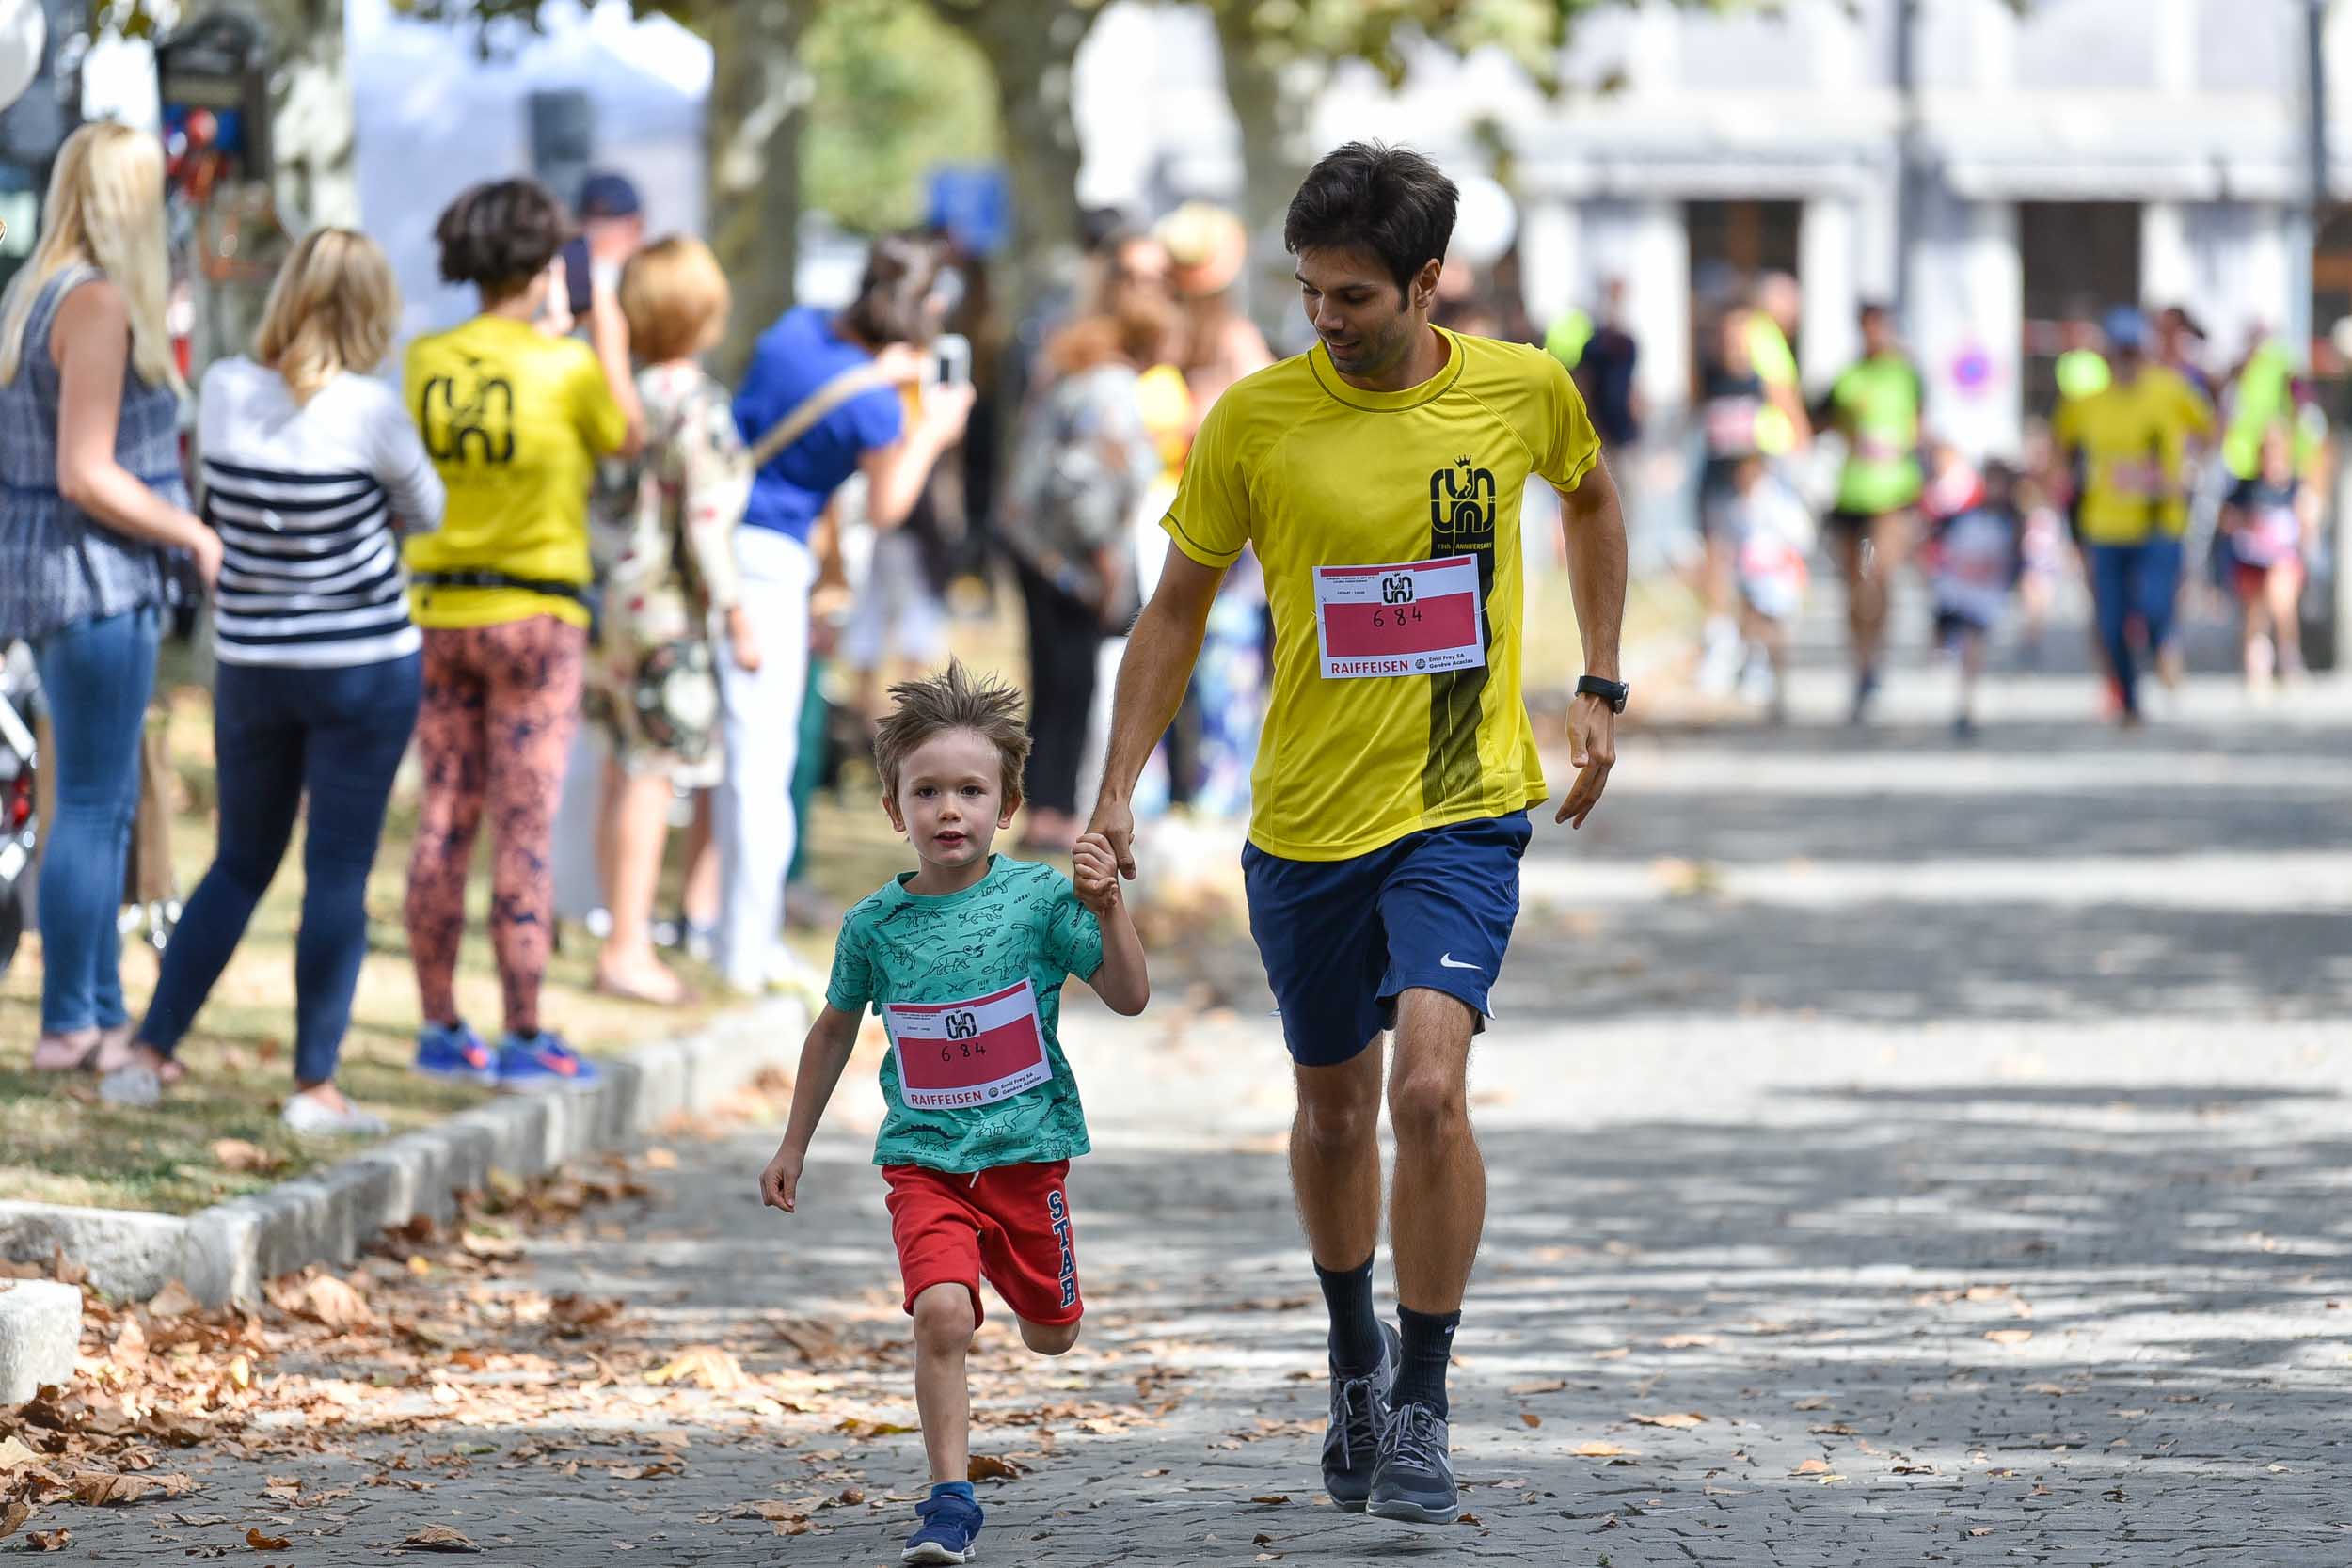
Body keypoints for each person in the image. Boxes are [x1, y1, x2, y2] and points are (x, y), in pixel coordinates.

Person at [1088, 141, 1629, 1527]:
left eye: (1353, 296)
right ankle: (1352, 1351)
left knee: (1428, 1089)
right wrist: (1115, 789)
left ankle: (1426, 1399)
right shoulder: (1255, 420)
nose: (1323, 318)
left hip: (1459, 806)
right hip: (1309, 818)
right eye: (1310, 291)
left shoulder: (1521, 391)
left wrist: (1601, 682)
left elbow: (1595, 499)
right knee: (1333, 1104)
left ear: (1427, 283)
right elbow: (1174, 609)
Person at [755, 662, 1148, 1567]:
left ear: (1005, 803)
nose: (948, 810)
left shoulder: (1042, 900)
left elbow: (1129, 993)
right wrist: (793, 1143)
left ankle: (1019, 1277)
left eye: (970, 790)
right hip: (924, 1161)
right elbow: (833, 1028)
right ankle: (948, 1499)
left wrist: (1110, 905)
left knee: (1053, 1335)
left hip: (1026, 1159)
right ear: (895, 809)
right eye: (925, 790)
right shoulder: (874, 926)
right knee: (940, 1315)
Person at [97, 230, 443, 1125]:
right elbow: (426, 512)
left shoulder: (220, 389)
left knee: (241, 860)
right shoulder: (372, 412)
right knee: (336, 869)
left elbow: (212, 496)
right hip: (362, 666)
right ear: (371, 314)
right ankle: (313, 1085)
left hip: (252, 664)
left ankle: (148, 1048)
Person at [403, 177, 644, 1089]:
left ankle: (437, 1022)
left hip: (441, 608)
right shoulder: (567, 366)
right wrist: (602, 319)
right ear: (548, 260)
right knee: (524, 823)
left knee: (442, 814)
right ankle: (525, 1027)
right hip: (537, 614)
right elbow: (626, 433)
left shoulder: (427, 356)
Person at [0, 123, 217, 1078]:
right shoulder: (92, 302)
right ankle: (74, 1018)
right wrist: (195, 534)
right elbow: (86, 471)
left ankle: (95, 1009)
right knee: (92, 802)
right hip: (95, 572)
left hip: (63, 572)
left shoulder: (35, 292)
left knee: (91, 800)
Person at [723, 234, 975, 997]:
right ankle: (745, 944)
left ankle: (716, 925)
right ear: (922, 310)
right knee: (760, 765)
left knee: (725, 758)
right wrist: (934, 426)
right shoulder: (873, 403)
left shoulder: (794, 330)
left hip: (718, 532)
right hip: (771, 561)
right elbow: (891, 500)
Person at [584, 234, 755, 1005]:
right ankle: (627, 945)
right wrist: (738, 613)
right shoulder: (697, 402)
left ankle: (615, 926)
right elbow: (707, 519)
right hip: (668, 611)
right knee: (655, 775)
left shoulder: (618, 392)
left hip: (610, 601)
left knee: (621, 768)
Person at [1002, 288, 1168, 852]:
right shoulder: (1114, 388)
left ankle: (1041, 805)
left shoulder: (1073, 375)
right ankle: (1053, 810)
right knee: (1073, 682)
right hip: (1068, 559)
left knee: (1050, 681)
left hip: (1032, 544)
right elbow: (1088, 481)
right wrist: (1103, 557)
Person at [2052, 306, 2215, 724]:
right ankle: (2128, 700)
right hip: (2105, 526)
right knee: (2111, 620)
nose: (2126, 360)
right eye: (2119, 352)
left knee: (2156, 606)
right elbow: (2059, 448)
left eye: (2132, 351)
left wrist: (2186, 470)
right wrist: (2065, 487)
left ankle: (2164, 651)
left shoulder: (2171, 389)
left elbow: (2211, 428)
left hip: (2160, 521)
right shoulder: (2088, 404)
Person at [1820, 301, 1924, 722]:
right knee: (1855, 584)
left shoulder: (1907, 375)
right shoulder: (1847, 377)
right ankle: (1861, 662)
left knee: (1878, 576)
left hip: (1895, 494)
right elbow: (1821, 418)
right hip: (1852, 493)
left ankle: (1874, 659)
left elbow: (1919, 427)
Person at [1924, 459, 2026, 739]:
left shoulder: (2013, 522)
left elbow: (2019, 563)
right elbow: (1937, 543)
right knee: (1950, 644)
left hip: (1984, 598)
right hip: (1955, 593)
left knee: (1972, 647)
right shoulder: (1963, 517)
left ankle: (1965, 704)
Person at [2218, 424, 2314, 692]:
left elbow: (2307, 522)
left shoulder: (2295, 486)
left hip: (2283, 559)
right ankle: (2257, 668)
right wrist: (2247, 522)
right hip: (2251, 560)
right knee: (2255, 615)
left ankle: (2288, 660)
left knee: (2282, 603)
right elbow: (2226, 519)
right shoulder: (2246, 487)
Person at [1724, 452, 1813, 722]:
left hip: (1777, 578)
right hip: (1750, 577)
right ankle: (1754, 673)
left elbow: (1801, 537)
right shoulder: (1738, 505)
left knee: (1774, 631)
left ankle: (1776, 683)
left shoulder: (1780, 502)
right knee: (1750, 625)